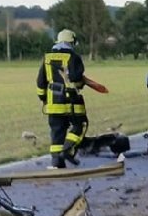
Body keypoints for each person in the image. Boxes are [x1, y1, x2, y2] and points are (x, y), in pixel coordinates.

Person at [35, 29, 107, 168]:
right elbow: (76, 78)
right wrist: (81, 83)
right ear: (71, 42)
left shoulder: (47, 58)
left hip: (52, 102)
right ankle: (67, 150)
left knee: (57, 131)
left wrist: (43, 98)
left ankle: (57, 162)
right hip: (71, 101)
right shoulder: (73, 57)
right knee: (80, 125)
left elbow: (40, 82)